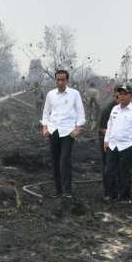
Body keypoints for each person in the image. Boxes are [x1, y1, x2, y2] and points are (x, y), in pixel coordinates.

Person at [41, 70, 86, 198]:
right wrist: (45, 127)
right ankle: (58, 190)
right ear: (55, 80)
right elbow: (46, 112)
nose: (60, 82)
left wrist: (77, 128)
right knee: (55, 160)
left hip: (68, 131)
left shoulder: (74, 94)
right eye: (58, 80)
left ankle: (67, 191)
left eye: (63, 80)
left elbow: (80, 113)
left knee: (65, 159)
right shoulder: (51, 95)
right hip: (53, 130)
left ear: (67, 80)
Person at [103, 84, 132, 204]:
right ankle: (112, 194)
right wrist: (106, 140)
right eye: (120, 94)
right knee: (109, 171)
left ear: (131, 96)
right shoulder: (115, 109)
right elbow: (109, 125)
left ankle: (125, 197)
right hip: (113, 145)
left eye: (125, 94)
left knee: (124, 173)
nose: (122, 96)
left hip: (127, 146)